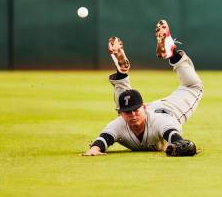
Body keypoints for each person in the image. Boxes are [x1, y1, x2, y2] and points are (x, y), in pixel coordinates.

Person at [82, 20, 203, 157]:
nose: (133, 115)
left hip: (169, 110)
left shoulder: (161, 122)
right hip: (143, 112)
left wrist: (178, 143)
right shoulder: (119, 123)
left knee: (193, 87)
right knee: (124, 101)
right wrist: (94, 150)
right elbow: (103, 140)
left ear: (144, 107)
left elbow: (173, 136)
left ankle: (172, 53)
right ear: (121, 114)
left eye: (135, 110)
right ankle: (122, 72)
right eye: (128, 112)